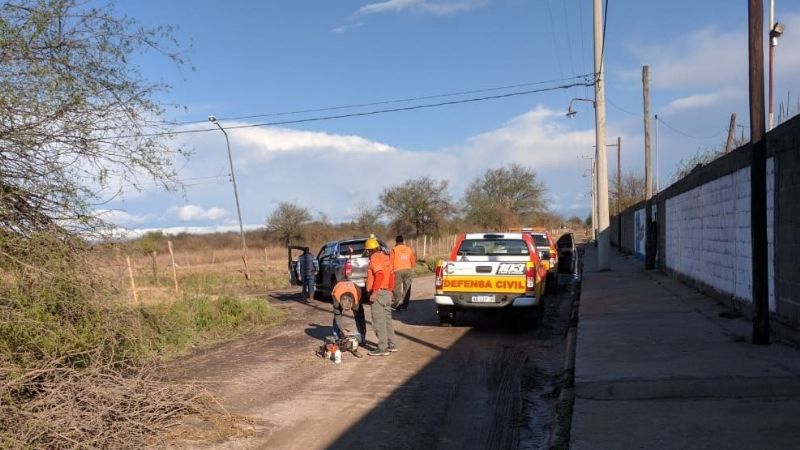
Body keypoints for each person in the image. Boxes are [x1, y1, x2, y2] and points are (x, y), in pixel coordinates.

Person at [364, 236, 397, 356]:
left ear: (369, 250)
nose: (367, 253)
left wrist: (375, 291)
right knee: (387, 320)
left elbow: (379, 274)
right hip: (387, 292)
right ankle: (392, 344)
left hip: (379, 294)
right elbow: (392, 275)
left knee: (379, 321)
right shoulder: (385, 257)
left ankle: (383, 348)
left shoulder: (374, 258)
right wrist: (390, 289)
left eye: (367, 250)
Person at [330, 280, 364, 358]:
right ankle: (337, 338)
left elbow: (360, 316)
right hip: (339, 288)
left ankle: (362, 338)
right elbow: (337, 316)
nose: (346, 310)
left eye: (348, 308)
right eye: (344, 308)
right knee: (336, 316)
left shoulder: (357, 296)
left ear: (352, 303)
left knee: (359, 317)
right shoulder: (336, 297)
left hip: (354, 289)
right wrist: (343, 330)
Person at [390, 235, 416, 310]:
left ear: (396, 241)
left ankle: (398, 302)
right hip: (408, 269)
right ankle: (404, 305)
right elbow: (412, 260)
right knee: (407, 288)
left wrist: (391, 271)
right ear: (403, 241)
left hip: (397, 270)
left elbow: (391, 261)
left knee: (396, 287)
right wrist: (411, 267)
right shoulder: (408, 249)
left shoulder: (394, 249)